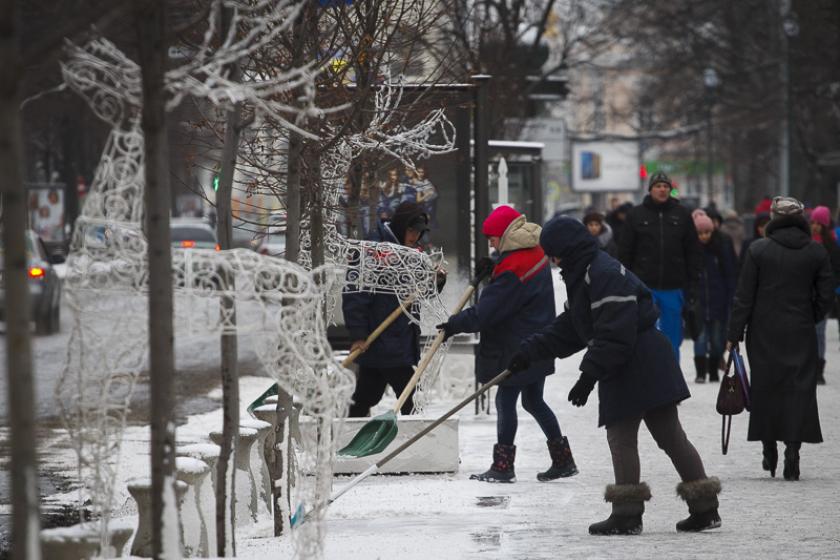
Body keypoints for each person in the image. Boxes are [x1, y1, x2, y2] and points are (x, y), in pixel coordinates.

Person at [508, 216, 721, 535]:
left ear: (567, 249)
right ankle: (705, 510)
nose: (553, 261)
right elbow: (574, 325)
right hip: (641, 357)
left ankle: (627, 515)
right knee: (670, 436)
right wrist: (529, 351)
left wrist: (587, 376)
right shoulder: (586, 272)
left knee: (623, 437)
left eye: (554, 254)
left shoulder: (602, 273)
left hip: (635, 359)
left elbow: (615, 332)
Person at [436, 205, 577, 483]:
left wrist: (454, 325)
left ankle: (503, 467)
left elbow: (487, 312)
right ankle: (563, 461)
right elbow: (513, 290)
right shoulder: (534, 251)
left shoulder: (514, 267)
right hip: (539, 341)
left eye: (492, 239)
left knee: (505, 400)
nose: (491, 244)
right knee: (534, 400)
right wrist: (493, 268)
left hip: (518, 345)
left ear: (505, 235)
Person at [727, 196, 834, 481]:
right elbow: (826, 295)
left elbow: (744, 296)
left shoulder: (758, 250)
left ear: (774, 218)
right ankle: (793, 449)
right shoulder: (816, 251)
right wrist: (810, 315)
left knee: (766, 387)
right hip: (801, 329)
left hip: (764, 330)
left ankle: (768, 447)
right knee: (799, 389)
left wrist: (734, 334)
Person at [342, 202, 436, 417]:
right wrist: (358, 334)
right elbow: (355, 293)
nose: (415, 236)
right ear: (402, 226)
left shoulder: (410, 253)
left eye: (419, 232)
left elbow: (422, 292)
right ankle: (416, 436)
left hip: (398, 338)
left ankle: (343, 432)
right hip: (381, 339)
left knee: (367, 395)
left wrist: (435, 281)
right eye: (412, 230)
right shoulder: (374, 250)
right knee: (410, 398)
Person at [618, 171, 701, 361]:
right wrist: (626, 282)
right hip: (644, 287)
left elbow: (693, 251)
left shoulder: (682, 214)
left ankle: (671, 375)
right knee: (645, 337)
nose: (662, 190)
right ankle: (648, 374)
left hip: (674, 287)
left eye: (666, 186)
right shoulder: (636, 215)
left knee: (672, 339)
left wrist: (693, 283)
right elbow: (625, 251)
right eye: (658, 186)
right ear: (650, 189)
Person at [691, 213, 736, 383]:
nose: (704, 236)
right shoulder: (692, 251)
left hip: (718, 301)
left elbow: (730, 275)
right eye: (700, 233)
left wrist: (730, 296)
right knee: (700, 338)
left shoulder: (720, 249)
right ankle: (701, 372)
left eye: (707, 232)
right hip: (699, 302)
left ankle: (713, 370)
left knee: (717, 339)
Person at [808, 205, 840, 385]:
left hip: (823, 296)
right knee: (808, 333)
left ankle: (819, 368)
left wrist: (829, 290)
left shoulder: (832, 246)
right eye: (812, 222)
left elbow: (836, 271)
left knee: (819, 333)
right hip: (806, 294)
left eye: (818, 223)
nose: (814, 226)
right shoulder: (806, 242)